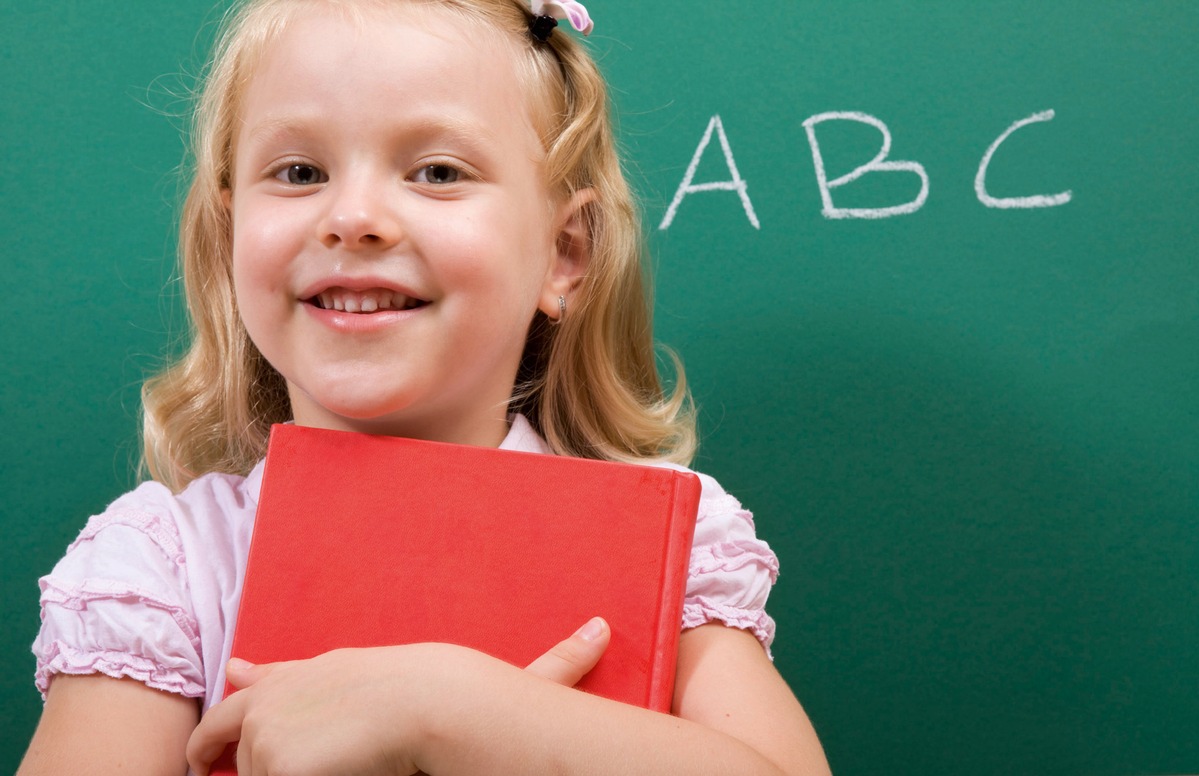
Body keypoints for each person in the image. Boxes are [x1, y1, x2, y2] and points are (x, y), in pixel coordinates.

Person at [20, 0, 831, 773]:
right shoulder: (169, 570)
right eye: (299, 171)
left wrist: (450, 712)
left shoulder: (665, 539)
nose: (353, 216)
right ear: (229, 235)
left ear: (564, 255)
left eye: (438, 172)